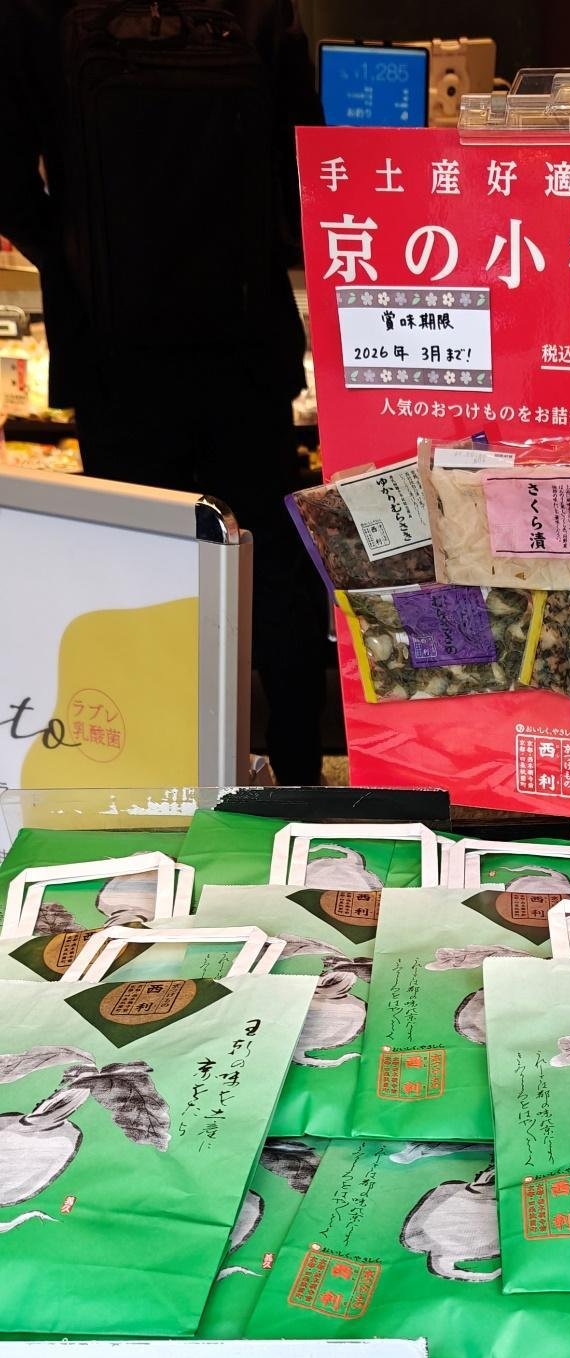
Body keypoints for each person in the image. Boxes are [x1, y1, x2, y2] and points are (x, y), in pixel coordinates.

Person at [0, 0, 330, 784]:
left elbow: (7, 182)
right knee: (271, 568)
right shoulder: (255, 6)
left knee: (138, 568)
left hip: (114, 356)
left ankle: (148, 774)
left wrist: (74, 259)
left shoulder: (35, 15)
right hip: (246, 348)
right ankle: (295, 773)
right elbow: (305, 167)